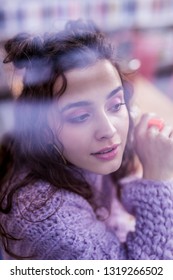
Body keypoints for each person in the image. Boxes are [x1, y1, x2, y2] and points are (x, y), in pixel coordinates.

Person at [0, 19, 173, 260]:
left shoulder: (77, 155)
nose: (109, 130)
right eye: (80, 116)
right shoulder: (48, 218)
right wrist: (157, 178)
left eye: (115, 104)